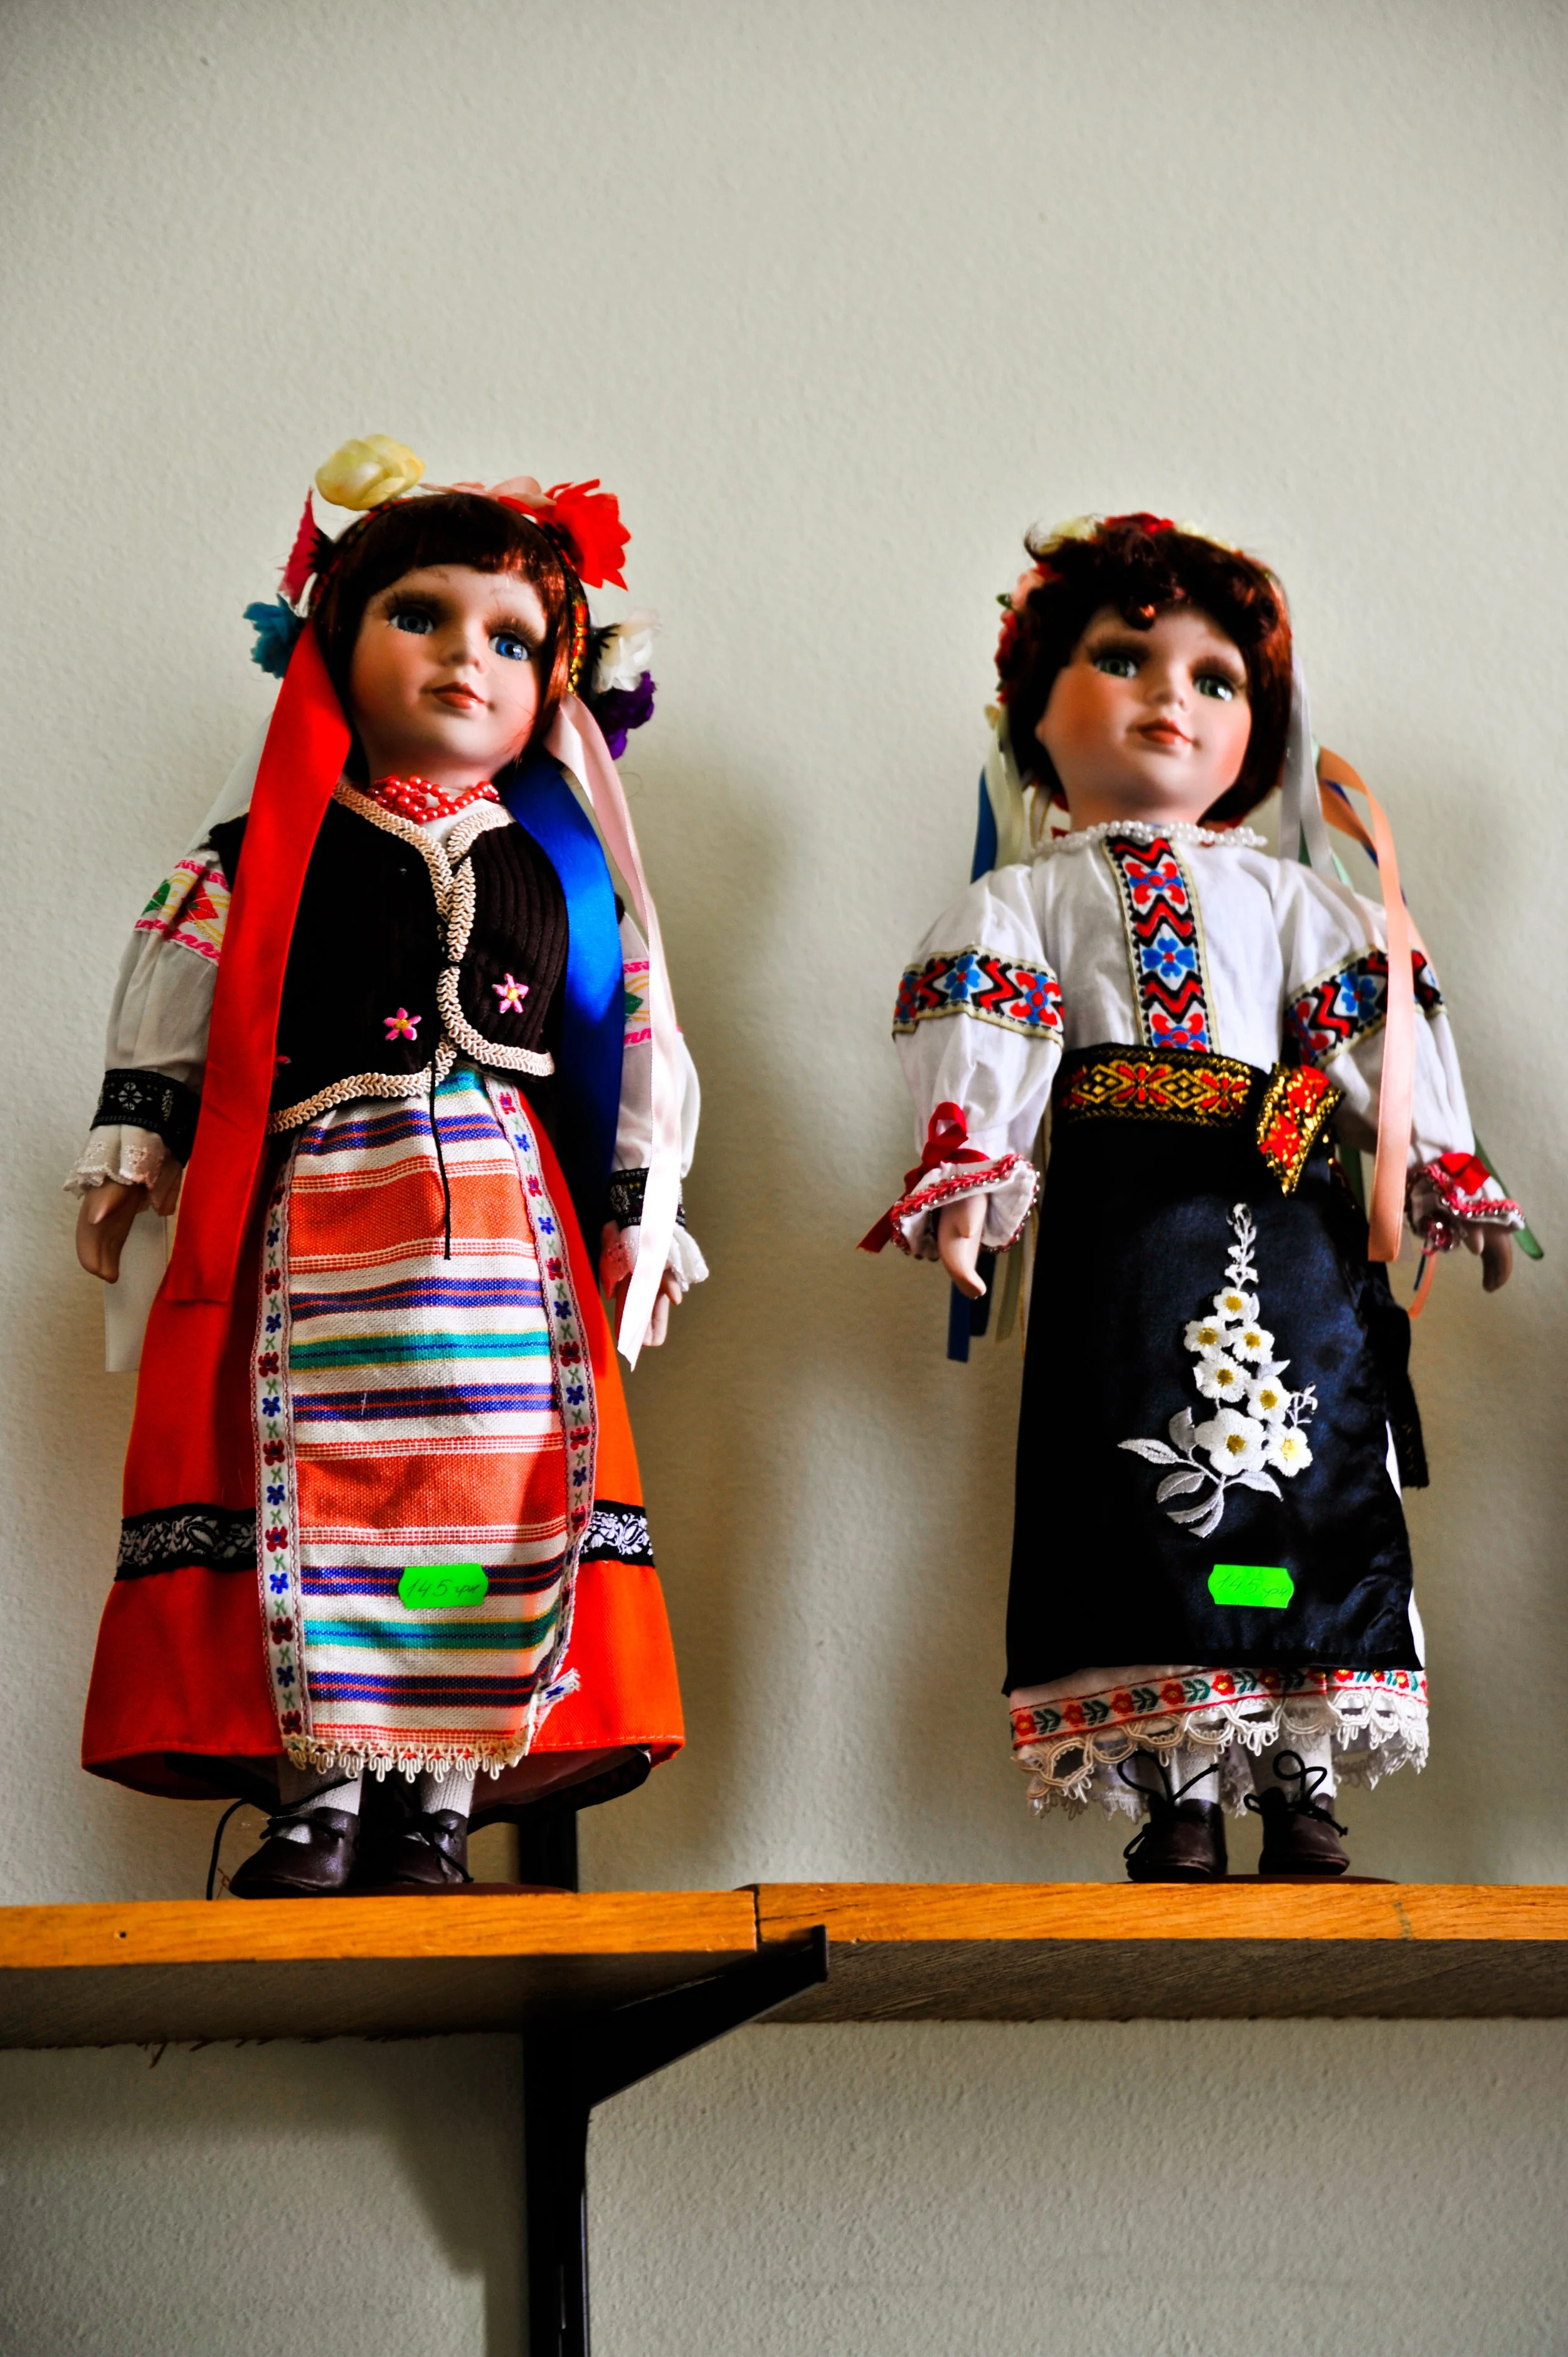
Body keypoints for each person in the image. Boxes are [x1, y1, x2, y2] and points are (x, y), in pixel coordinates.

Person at [70, 438, 706, 1896]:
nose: (463, 661)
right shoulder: (261, 857)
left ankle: (439, 1799)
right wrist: (131, 1149)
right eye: (418, 616)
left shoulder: (573, 877)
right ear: (332, 639)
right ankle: (326, 1791)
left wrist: (640, 1212)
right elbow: (182, 1008)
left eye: (510, 637)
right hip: (321, 1216)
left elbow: (633, 1040)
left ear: (559, 678)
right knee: (337, 1493)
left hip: (505, 1233)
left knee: (488, 1499)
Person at [864, 513, 1523, 1880]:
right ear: (1035, 709)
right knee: (1137, 1487)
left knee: (1308, 1484)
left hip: (1291, 1231)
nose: (1170, 693)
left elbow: (1373, 1049)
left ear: (1258, 729)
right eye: (1124, 658)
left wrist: (1442, 1168)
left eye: (1214, 678)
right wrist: (970, 1179)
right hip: (1122, 1233)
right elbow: (990, 1055)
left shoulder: (1300, 901)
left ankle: (1299, 1792)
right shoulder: (1022, 900)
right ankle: (1176, 1796)